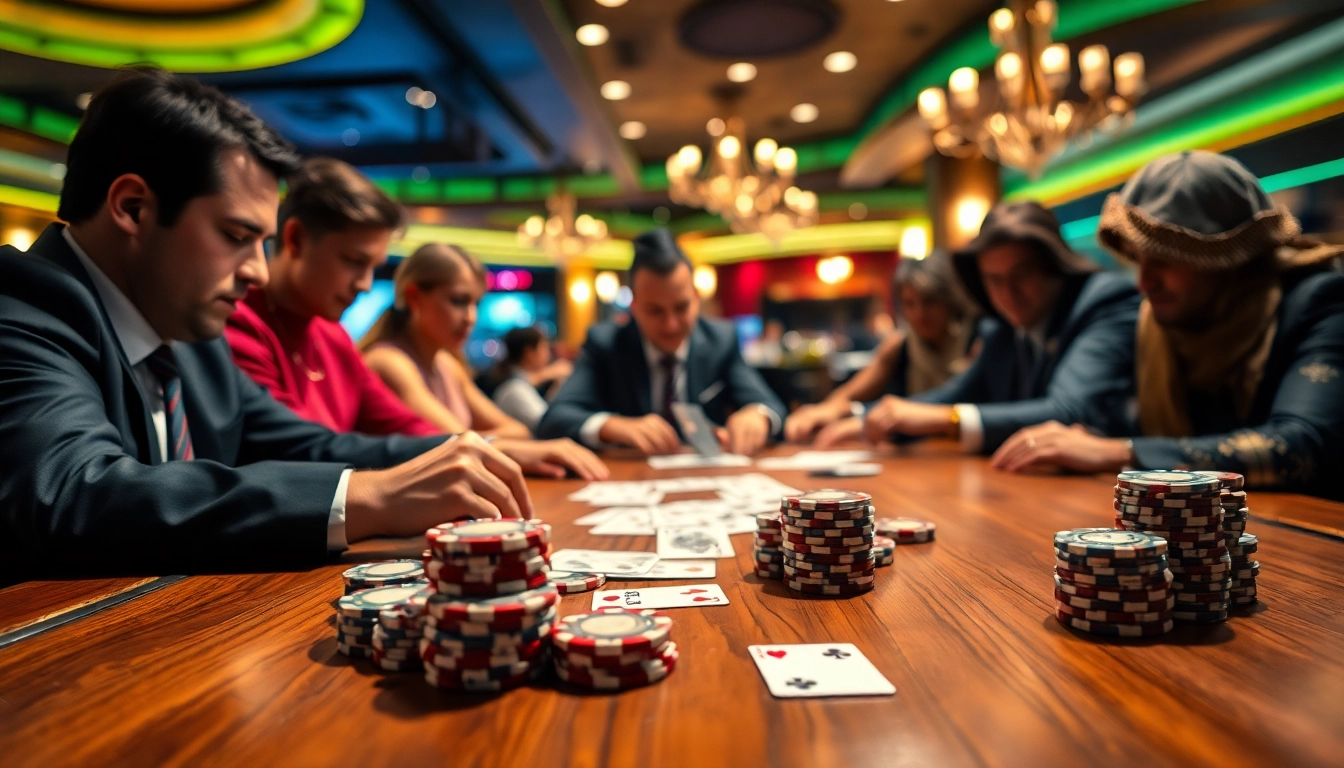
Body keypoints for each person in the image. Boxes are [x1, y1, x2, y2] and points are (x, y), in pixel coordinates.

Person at [0, 68, 531, 582]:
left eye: (262, 243)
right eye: (236, 236)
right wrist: (371, 498)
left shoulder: (187, 331)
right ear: (133, 208)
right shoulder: (21, 306)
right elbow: (72, 492)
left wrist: (463, 455)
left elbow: (311, 447)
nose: (257, 271)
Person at [992, 151, 1344, 498]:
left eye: (1164, 259)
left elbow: (1303, 445)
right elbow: (1124, 422)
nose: (1144, 282)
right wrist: (1088, 440)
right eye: (1137, 258)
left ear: (1230, 261)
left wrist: (1121, 452)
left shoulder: (1320, 301)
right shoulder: (1158, 322)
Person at [226, 163, 606, 480]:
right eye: (354, 262)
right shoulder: (238, 322)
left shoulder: (332, 335)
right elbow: (297, 453)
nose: (365, 284)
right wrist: (485, 448)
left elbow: (408, 429)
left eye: (373, 268)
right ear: (295, 239)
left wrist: (485, 448)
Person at [857, 201, 1141, 453]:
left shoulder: (1103, 302)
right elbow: (956, 395)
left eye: (1022, 275)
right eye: (994, 279)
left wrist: (947, 419)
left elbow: (1068, 409)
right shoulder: (1002, 327)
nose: (1008, 293)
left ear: (1055, 265)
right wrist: (863, 417)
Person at [535, 228, 787, 456]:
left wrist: (758, 415)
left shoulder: (720, 339)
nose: (671, 325)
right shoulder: (605, 344)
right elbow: (554, 419)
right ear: (634, 306)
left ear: (696, 297)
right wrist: (612, 426)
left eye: (681, 307)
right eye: (655, 311)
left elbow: (772, 405)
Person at [785, 252, 977, 445]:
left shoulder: (976, 340)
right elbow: (846, 395)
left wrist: (857, 415)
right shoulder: (899, 345)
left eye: (929, 302)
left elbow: (956, 399)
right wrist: (823, 412)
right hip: (924, 451)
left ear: (949, 299)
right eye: (910, 304)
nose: (920, 313)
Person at [486, 326, 572, 431]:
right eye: (545, 348)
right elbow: (548, 424)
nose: (548, 354)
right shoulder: (514, 388)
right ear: (529, 353)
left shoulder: (514, 382)